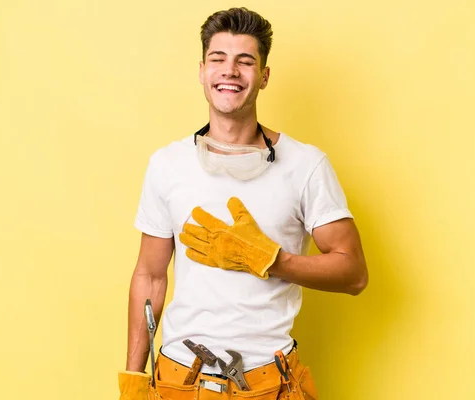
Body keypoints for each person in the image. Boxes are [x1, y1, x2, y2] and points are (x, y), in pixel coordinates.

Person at [118, 7, 368, 400]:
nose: (230, 71)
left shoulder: (305, 165)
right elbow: (150, 276)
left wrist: (272, 260)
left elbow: (354, 273)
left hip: (270, 384)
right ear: (202, 71)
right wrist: (133, 379)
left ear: (264, 76)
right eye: (218, 59)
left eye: (245, 61)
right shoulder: (167, 164)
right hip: (177, 381)